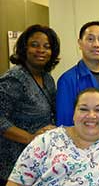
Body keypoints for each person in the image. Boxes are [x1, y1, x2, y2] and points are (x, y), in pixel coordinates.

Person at [6, 88, 99, 186]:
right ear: (74, 115)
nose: (91, 115)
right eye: (83, 109)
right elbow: (16, 183)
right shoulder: (45, 141)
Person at [0, 24, 60, 185]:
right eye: (34, 45)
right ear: (24, 49)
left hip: (37, 159)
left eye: (47, 47)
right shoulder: (14, 78)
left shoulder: (47, 78)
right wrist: (29, 138)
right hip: (12, 162)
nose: (41, 50)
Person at [56, 21, 99, 133]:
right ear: (80, 43)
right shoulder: (68, 80)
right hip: (81, 145)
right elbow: (65, 125)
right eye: (90, 39)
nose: (96, 44)